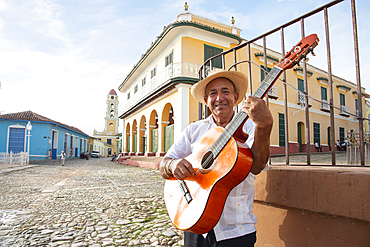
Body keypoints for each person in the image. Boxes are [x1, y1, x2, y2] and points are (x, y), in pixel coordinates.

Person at [159, 69, 273, 246]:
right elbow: (164, 163)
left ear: (236, 98)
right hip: (194, 223)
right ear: (206, 101)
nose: (219, 98)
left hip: (235, 230)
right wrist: (173, 165)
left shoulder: (252, 126)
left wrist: (264, 127)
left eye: (225, 92)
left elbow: (256, 166)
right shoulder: (194, 130)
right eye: (213, 93)